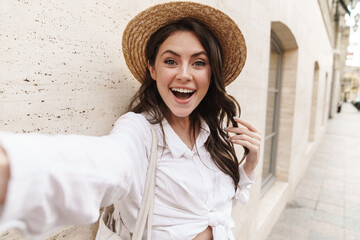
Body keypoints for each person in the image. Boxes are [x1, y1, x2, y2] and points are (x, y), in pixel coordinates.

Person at [0, 2, 261, 240]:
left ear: (211, 70)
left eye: (198, 62)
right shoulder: (138, 129)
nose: (184, 74)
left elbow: (216, 208)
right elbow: (108, 164)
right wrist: (17, 169)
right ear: (152, 69)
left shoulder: (211, 129)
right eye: (170, 61)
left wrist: (247, 168)